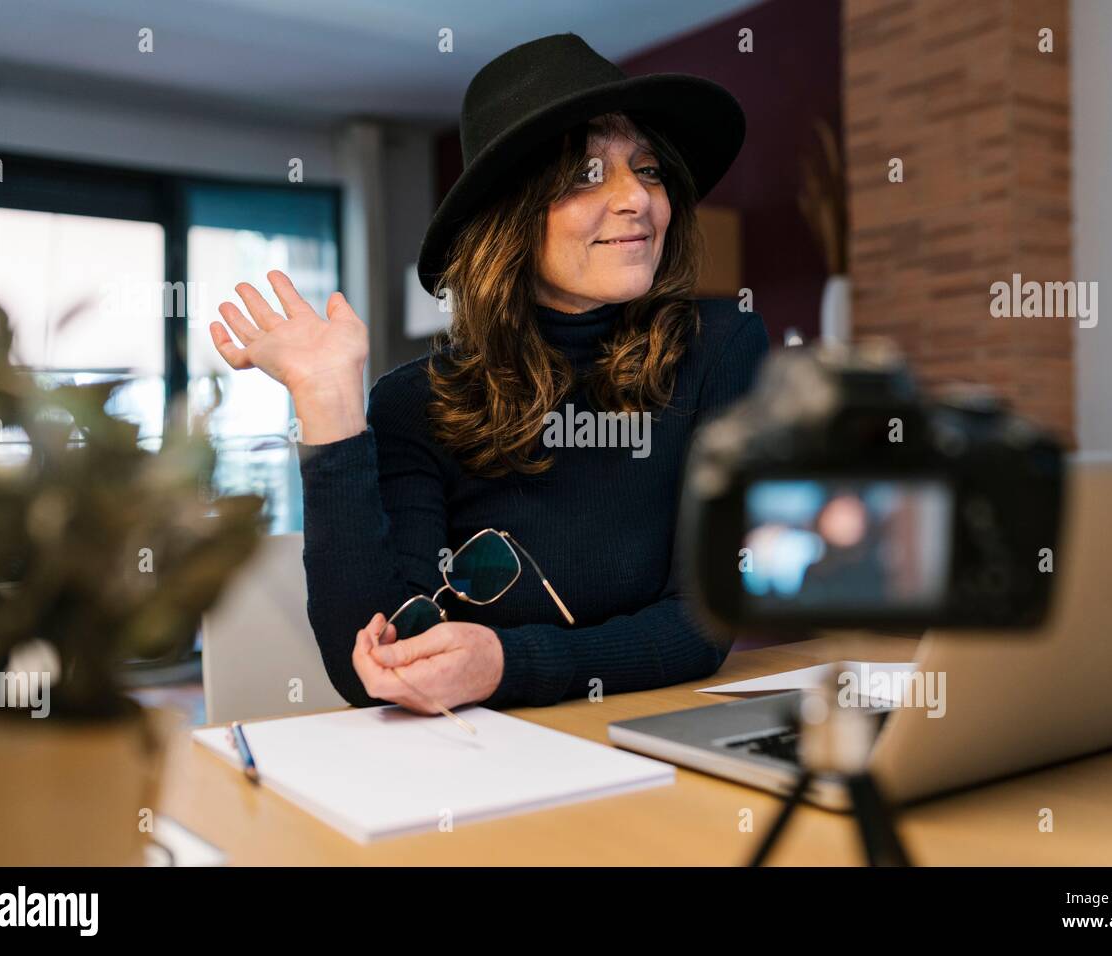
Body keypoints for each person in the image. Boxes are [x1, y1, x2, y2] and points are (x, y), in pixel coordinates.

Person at [208, 33, 769, 713]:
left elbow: (702, 624)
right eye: (589, 175)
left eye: (648, 170)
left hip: (656, 743)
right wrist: (327, 407)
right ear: (512, 215)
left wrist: (509, 663)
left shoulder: (721, 348)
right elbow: (372, 669)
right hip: (484, 772)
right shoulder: (415, 403)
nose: (637, 200)